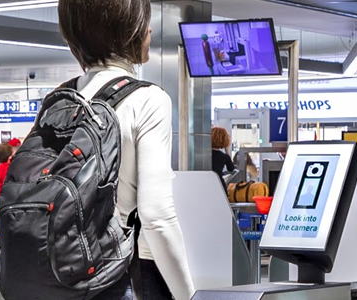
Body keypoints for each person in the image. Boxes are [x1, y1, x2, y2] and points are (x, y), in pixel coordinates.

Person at [58, 0, 195, 299]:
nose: (149, 29)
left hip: (60, 273)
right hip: (119, 276)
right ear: (126, 31)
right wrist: (188, 295)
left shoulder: (58, 100)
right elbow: (156, 216)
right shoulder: (147, 99)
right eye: (143, 21)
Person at [212, 127, 235, 193]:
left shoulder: (204, 155)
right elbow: (231, 168)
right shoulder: (224, 157)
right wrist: (227, 150)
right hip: (219, 184)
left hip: (206, 183)